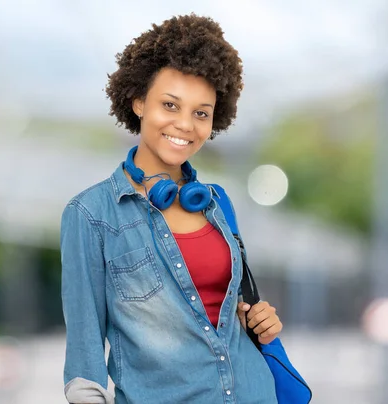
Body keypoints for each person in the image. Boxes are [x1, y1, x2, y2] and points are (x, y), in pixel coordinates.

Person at [60, 13, 283, 404]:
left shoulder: (217, 203)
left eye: (201, 113)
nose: (185, 124)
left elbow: (229, 314)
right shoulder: (90, 214)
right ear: (139, 102)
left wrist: (258, 319)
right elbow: (84, 360)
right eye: (170, 105)